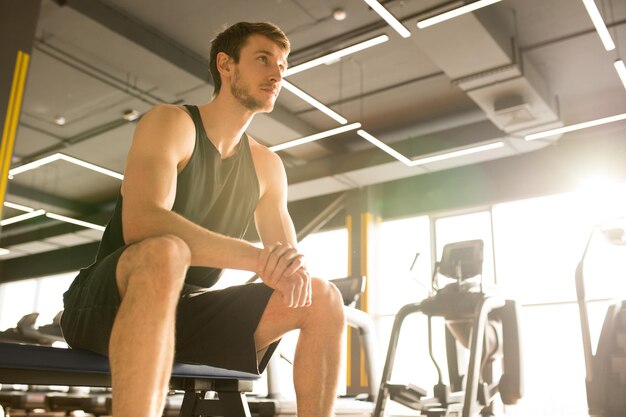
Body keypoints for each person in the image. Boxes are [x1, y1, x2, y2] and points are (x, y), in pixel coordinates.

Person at [60, 21, 345, 417]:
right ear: (225, 65)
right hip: (111, 301)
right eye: (263, 59)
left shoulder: (268, 166)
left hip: (184, 314)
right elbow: (141, 224)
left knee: (323, 297)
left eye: (282, 65)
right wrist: (256, 259)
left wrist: (289, 268)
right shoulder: (172, 123)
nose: (277, 73)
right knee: (165, 252)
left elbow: (286, 261)